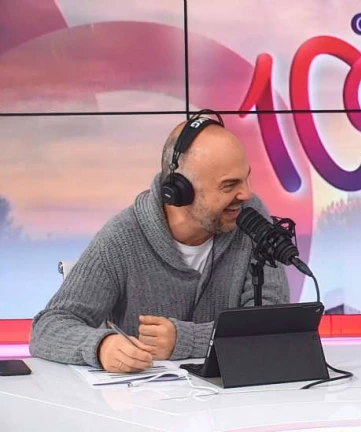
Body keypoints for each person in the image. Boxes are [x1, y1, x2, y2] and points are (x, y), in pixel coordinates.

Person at [30, 111, 290, 372]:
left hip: (236, 393)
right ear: (179, 191)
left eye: (246, 178)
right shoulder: (121, 238)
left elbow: (274, 326)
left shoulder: (251, 217)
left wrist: (186, 340)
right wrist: (101, 347)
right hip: (144, 397)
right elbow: (48, 328)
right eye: (229, 185)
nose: (246, 194)